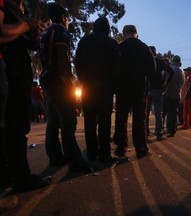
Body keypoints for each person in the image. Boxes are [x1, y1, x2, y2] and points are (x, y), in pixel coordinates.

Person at [1, 0, 50, 191]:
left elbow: (33, 44)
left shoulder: (23, 8)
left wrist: (35, 31)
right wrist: (25, 26)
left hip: (20, 71)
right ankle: (20, 177)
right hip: (10, 71)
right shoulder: (8, 5)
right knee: (14, 128)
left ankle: (12, 174)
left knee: (17, 128)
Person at [40, 3, 94, 171]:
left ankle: (55, 156)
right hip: (58, 81)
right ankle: (74, 160)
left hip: (47, 80)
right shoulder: (61, 31)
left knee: (53, 120)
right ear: (64, 17)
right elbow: (62, 57)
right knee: (68, 120)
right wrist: (68, 79)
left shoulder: (46, 32)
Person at [75, 16, 120, 162]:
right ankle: (105, 154)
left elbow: (77, 64)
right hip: (105, 88)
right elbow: (116, 67)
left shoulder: (84, 41)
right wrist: (113, 86)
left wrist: (84, 80)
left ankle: (92, 153)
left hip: (88, 87)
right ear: (107, 28)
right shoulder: (112, 43)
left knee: (89, 121)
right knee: (105, 121)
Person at [113, 24, 156, 158]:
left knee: (121, 118)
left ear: (124, 34)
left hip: (122, 88)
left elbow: (112, 67)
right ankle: (141, 148)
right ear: (136, 34)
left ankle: (121, 147)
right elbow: (152, 70)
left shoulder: (119, 48)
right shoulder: (144, 48)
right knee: (139, 118)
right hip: (139, 88)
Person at [146, 46, 174, 141]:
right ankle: (159, 134)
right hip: (158, 89)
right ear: (155, 52)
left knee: (145, 113)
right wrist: (167, 83)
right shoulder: (159, 61)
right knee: (158, 113)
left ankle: (145, 134)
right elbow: (171, 72)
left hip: (146, 90)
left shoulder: (145, 61)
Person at [162, 55, 184, 137]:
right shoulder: (181, 72)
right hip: (176, 94)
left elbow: (163, 79)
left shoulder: (168, 69)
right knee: (173, 112)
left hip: (167, 93)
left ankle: (161, 129)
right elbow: (182, 83)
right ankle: (172, 130)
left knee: (164, 112)